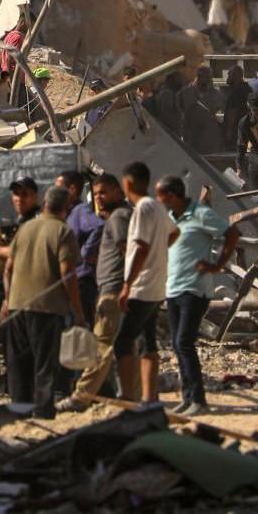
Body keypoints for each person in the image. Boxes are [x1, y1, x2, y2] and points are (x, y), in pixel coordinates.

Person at [158, 176, 240, 416]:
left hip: (195, 289)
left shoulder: (200, 214)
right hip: (173, 289)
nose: (159, 201)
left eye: (161, 195)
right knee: (177, 344)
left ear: (172, 195)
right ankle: (188, 398)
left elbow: (231, 233)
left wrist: (217, 265)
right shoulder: (172, 219)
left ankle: (199, 400)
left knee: (184, 343)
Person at [1, 185, 84, 418]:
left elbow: (8, 269)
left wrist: (8, 299)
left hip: (17, 305)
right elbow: (68, 274)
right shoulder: (62, 231)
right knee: (45, 363)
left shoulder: (26, 228)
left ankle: (20, 409)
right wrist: (78, 312)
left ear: (45, 203)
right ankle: (43, 410)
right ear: (66, 208)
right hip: (47, 307)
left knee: (19, 363)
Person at [62, 173, 132, 411]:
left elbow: (127, 252)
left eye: (104, 192)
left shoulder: (118, 217)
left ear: (119, 193)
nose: (99, 198)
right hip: (111, 287)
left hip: (113, 288)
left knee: (101, 344)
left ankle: (81, 397)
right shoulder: (115, 216)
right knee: (123, 345)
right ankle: (128, 396)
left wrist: (127, 286)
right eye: (97, 193)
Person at [115, 162, 178, 403]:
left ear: (128, 182)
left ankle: (128, 395)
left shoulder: (142, 208)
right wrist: (159, 253)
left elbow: (140, 247)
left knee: (123, 341)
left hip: (140, 287)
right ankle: (149, 396)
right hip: (156, 286)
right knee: (147, 340)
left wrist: (127, 285)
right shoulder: (158, 207)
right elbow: (174, 233)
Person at [59, 171, 104, 332]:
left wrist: (84, 254)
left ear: (71, 189)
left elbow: (98, 227)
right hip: (70, 281)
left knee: (80, 332)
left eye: (60, 189)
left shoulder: (81, 211)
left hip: (81, 281)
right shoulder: (68, 213)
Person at [221, 64, 250, 146]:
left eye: (229, 74)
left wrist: (228, 132)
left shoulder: (236, 92)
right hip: (243, 131)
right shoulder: (247, 89)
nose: (227, 77)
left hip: (234, 131)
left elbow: (232, 113)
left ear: (235, 76)